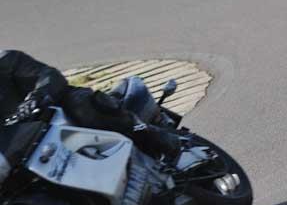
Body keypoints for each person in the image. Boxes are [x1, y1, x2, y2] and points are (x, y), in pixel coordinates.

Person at [0, 49, 180, 158]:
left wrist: (36, 98)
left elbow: (48, 76)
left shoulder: (5, 61)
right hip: (20, 149)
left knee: (79, 104)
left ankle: (151, 134)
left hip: (53, 116)